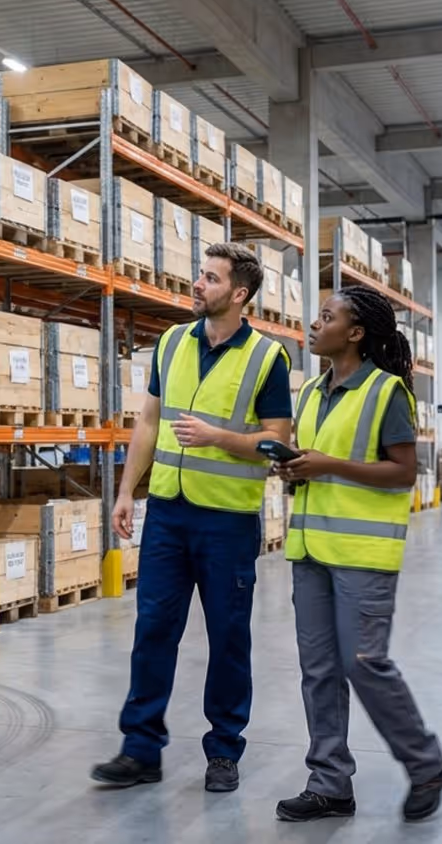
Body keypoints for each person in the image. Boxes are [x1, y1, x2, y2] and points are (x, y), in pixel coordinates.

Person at [90, 243, 293, 794]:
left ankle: (224, 751)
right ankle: (140, 750)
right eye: (199, 275)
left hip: (227, 521)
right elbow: (149, 422)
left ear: (239, 293)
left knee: (228, 638)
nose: (198, 284)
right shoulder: (172, 342)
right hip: (168, 517)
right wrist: (126, 491)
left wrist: (220, 438)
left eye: (210, 278)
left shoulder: (268, 358)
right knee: (153, 629)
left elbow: (279, 441)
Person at [273, 285, 442, 823]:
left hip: (362, 554)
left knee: (365, 664)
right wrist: (294, 466)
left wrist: (327, 464)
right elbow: (320, 459)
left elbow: (404, 473)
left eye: (325, 317)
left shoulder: (387, 392)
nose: (313, 324)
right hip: (309, 550)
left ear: (354, 333)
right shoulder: (308, 393)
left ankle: (426, 763)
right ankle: (329, 783)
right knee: (319, 670)